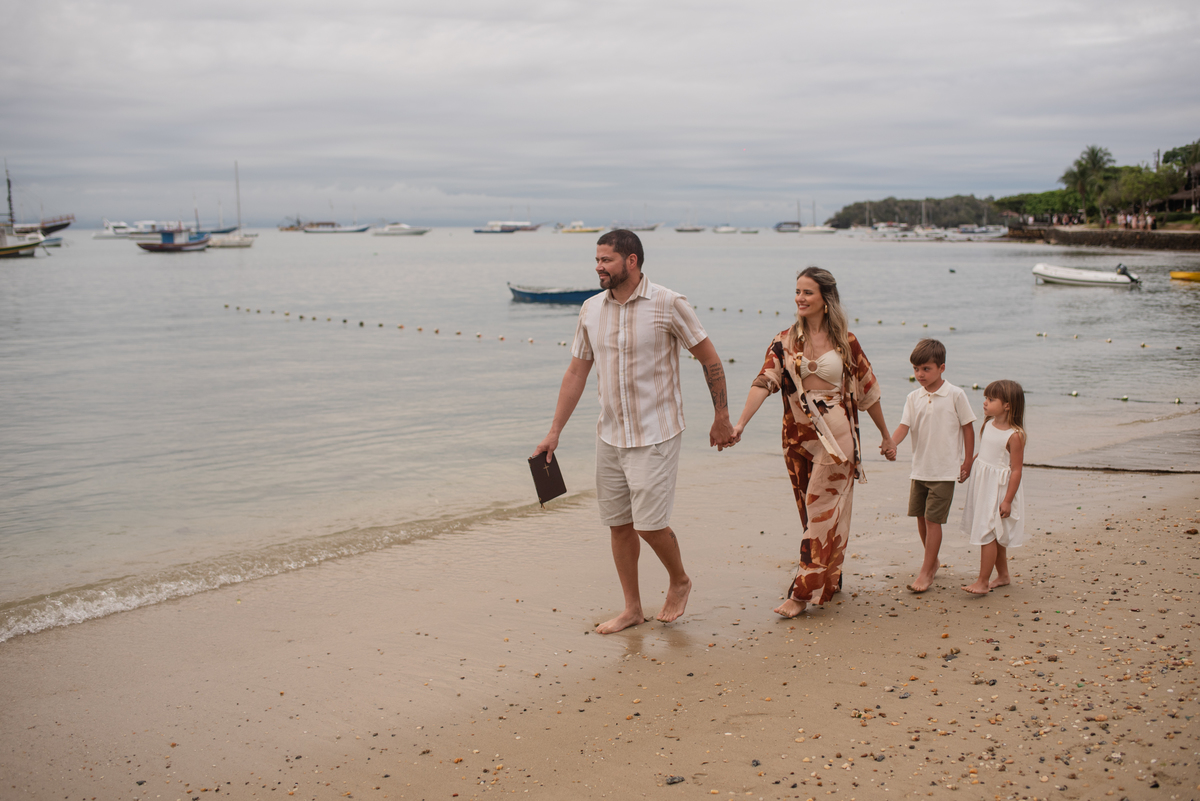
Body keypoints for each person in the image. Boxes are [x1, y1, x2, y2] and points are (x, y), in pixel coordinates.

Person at [532, 229, 735, 634]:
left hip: (656, 432)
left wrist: (721, 416)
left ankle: (679, 580)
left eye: (606, 260)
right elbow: (576, 372)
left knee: (649, 525)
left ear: (632, 261)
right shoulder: (590, 309)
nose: (598, 267)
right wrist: (554, 431)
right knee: (619, 524)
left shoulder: (668, 303)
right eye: (596, 259)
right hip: (609, 434)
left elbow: (709, 358)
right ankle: (632, 609)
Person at [731, 267, 896, 618]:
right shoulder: (784, 341)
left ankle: (801, 594)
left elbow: (868, 390)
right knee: (811, 515)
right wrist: (740, 423)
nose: (800, 298)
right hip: (798, 440)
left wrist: (886, 436)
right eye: (797, 291)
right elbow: (765, 381)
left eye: (807, 292)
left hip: (838, 442)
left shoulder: (846, 342)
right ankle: (829, 578)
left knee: (820, 515)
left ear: (825, 299)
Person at [890, 339, 976, 594]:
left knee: (932, 520)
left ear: (942, 368)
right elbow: (904, 426)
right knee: (920, 517)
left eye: (926, 369)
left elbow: (968, 428)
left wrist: (967, 461)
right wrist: (891, 443)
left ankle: (926, 571)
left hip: (944, 470)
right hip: (920, 469)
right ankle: (933, 561)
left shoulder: (955, 394)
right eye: (916, 369)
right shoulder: (913, 397)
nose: (920, 374)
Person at [960, 380, 1026, 595]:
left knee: (987, 531)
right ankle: (1003, 575)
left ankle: (982, 581)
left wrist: (1007, 500)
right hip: (983, 484)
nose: (985, 402)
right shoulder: (988, 424)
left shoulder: (1014, 435)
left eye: (991, 399)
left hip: (998, 489)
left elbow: (1016, 470)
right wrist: (971, 465)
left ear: (1007, 405)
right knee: (993, 532)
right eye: (985, 398)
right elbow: (985, 453)